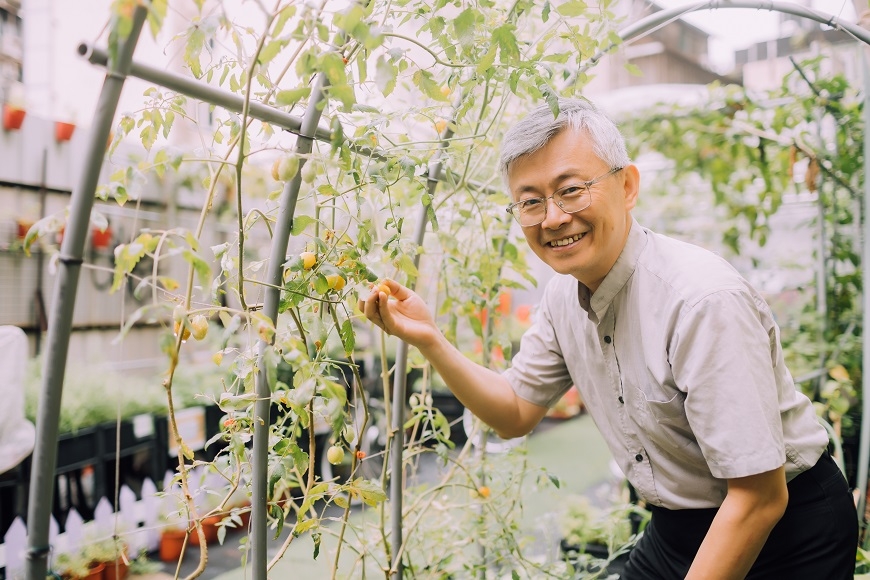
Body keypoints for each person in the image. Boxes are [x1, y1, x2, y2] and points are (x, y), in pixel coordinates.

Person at [358, 97, 857, 579]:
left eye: (571, 189)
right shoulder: (561, 300)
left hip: (787, 528)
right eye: (530, 202)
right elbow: (514, 411)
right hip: (679, 527)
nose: (552, 218)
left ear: (627, 186)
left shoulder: (701, 301)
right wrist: (430, 340)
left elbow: (758, 498)